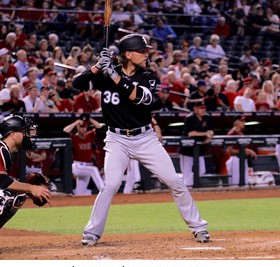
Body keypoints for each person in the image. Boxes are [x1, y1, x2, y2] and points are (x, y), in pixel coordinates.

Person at [72, 33, 209, 245]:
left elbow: (140, 98)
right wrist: (98, 67)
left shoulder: (149, 77)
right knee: (111, 185)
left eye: (147, 51)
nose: (147, 54)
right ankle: (91, 233)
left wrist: (114, 76)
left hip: (145, 138)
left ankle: (199, 227)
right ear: (128, 54)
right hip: (117, 139)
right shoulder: (107, 73)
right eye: (142, 51)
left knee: (174, 180)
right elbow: (77, 84)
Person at [0, 115, 51, 228]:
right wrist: (32, 188)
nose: (26, 135)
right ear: (12, 134)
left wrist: (26, 189)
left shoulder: (5, 151)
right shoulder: (0, 149)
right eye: (23, 131)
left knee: (17, 193)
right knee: (8, 196)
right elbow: (2, 181)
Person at [63, 113, 104, 196]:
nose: (83, 129)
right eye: (81, 127)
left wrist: (90, 119)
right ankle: (104, 190)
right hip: (77, 166)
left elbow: (99, 126)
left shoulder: (89, 135)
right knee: (93, 170)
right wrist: (76, 122)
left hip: (86, 167)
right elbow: (65, 130)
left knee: (80, 194)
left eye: (85, 127)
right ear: (78, 127)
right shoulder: (74, 137)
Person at [179, 101, 214, 187]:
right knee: (186, 172)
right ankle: (184, 185)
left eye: (204, 108)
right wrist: (205, 134)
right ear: (195, 109)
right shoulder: (190, 118)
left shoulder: (207, 117)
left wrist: (209, 137)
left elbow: (210, 130)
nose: (203, 110)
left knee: (202, 170)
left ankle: (184, 183)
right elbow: (190, 133)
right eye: (201, 108)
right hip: (187, 150)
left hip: (199, 149)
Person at [225, 114, 257, 186]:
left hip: (243, 160)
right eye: (242, 121)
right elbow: (229, 150)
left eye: (244, 121)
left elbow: (241, 148)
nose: (244, 122)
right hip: (235, 160)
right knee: (235, 184)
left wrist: (249, 151)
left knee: (245, 183)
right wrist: (244, 151)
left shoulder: (241, 133)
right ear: (236, 122)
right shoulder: (231, 133)